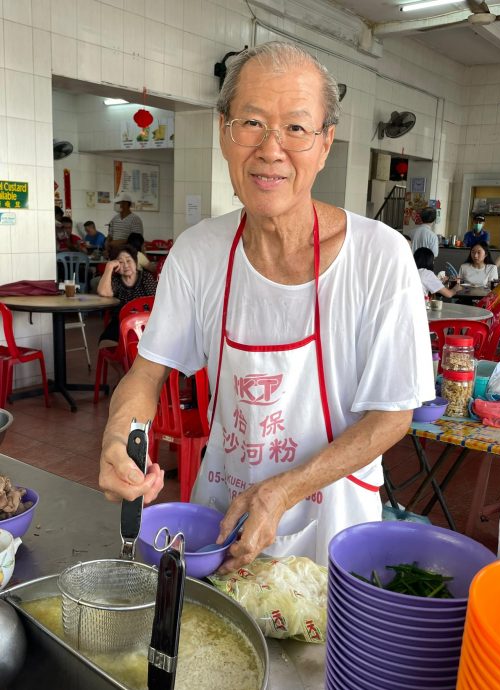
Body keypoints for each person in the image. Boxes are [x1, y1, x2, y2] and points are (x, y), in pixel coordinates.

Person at [98, 41, 434, 570]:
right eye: (251, 123)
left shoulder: (380, 256)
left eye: (296, 128)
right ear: (224, 133)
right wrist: (121, 437)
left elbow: (393, 415)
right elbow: (147, 373)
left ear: (325, 145)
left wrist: (283, 490)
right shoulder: (199, 252)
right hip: (220, 533)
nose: (271, 149)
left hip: (333, 542)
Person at [97, 244, 157, 347]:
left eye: (129, 260)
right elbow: (104, 292)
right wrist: (109, 267)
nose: (125, 265)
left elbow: (155, 302)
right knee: (106, 344)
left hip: (145, 323)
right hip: (120, 323)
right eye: (120, 262)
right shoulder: (115, 281)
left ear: (135, 262)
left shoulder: (145, 278)